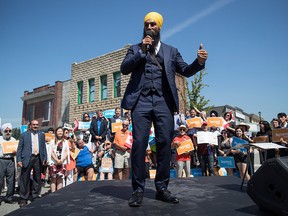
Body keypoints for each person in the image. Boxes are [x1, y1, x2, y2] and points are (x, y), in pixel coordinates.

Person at [120, 11, 208, 207]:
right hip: (140, 102)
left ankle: (162, 188)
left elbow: (185, 70)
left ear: (159, 27)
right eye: (147, 24)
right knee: (139, 144)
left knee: (164, 144)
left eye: (153, 24)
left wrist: (199, 62)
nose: (149, 27)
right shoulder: (135, 49)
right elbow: (124, 69)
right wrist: (142, 52)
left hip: (163, 102)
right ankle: (138, 190)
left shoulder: (171, 51)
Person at [16, 120, 47, 207]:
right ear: (30, 125)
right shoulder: (24, 135)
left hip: (38, 158)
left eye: (37, 125)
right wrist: (19, 160)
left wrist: (45, 158)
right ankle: (23, 198)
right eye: (34, 124)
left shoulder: (41, 135)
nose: (35, 126)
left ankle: (35, 196)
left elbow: (43, 148)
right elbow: (19, 149)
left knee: (37, 178)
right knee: (24, 179)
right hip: (27, 159)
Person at [48, 127, 70, 192]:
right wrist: (56, 160)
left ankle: (58, 193)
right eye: (58, 131)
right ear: (56, 132)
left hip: (62, 162)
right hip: (53, 162)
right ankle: (53, 193)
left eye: (61, 131)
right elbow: (51, 151)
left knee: (60, 178)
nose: (60, 133)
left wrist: (62, 159)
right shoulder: (52, 141)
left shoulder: (65, 142)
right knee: (53, 178)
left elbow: (66, 151)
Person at [0, 123, 17, 204]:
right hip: (1, 160)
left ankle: (9, 197)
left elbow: (16, 150)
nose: (8, 132)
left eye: (9, 131)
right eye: (6, 131)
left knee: (11, 180)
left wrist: (15, 152)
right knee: (0, 180)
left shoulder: (13, 140)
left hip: (10, 160)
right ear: (2, 131)